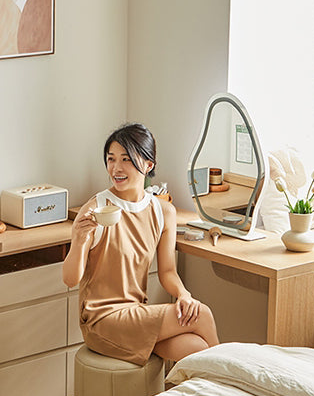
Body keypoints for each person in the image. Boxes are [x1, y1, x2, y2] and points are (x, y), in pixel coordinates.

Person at [63, 123, 219, 365]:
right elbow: (71, 279)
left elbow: (168, 272)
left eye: (126, 159)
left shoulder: (162, 211)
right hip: (101, 321)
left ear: (148, 164)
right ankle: (232, 385)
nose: (116, 167)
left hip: (136, 314)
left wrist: (183, 295)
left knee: (196, 347)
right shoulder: (96, 208)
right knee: (203, 315)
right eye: (111, 159)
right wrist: (79, 239)